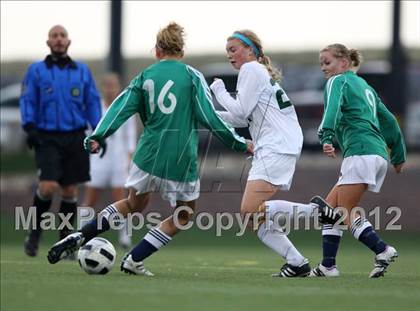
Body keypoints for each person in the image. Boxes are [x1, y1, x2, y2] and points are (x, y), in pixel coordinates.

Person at [47, 22, 252, 275]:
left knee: (133, 203)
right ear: (182, 51)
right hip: (179, 157)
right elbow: (211, 119)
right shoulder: (192, 76)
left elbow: (120, 108)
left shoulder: (144, 77)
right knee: (184, 215)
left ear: (157, 51)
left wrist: (99, 135)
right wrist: (239, 143)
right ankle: (134, 259)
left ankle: (80, 234)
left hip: (147, 156)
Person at [209, 30, 335, 277]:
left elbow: (241, 111)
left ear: (249, 50)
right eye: (227, 51)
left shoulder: (251, 70)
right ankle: (297, 262)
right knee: (254, 218)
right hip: (276, 144)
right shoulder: (255, 72)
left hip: (277, 144)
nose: (229, 55)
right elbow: (236, 117)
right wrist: (207, 115)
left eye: (233, 49)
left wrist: (219, 91)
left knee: (249, 210)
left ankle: (318, 212)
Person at [308, 44, 406, 278]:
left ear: (344, 63)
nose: (323, 68)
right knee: (330, 211)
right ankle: (327, 266)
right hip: (376, 153)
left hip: (360, 152)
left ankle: (382, 249)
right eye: (321, 63)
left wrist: (326, 136)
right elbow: (389, 120)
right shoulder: (365, 87)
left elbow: (331, 110)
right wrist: (399, 154)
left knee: (343, 211)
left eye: (327, 62)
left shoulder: (337, 81)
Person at [20, 25, 101, 257]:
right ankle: (34, 234)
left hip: (75, 136)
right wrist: (29, 127)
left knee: (69, 190)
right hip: (47, 136)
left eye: (62, 36)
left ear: (68, 41)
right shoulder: (36, 71)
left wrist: (98, 132)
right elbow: (27, 100)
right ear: (48, 42)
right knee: (47, 186)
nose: (58, 40)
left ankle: (65, 244)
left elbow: (93, 102)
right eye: (54, 36)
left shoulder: (82, 71)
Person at [81, 73, 137, 249]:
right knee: (90, 199)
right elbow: (87, 132)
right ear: (102, 88)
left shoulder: (125, 106)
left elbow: (130, 136)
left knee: (121, 199)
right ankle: (81, 235)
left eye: (114, 85)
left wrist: (129, 157)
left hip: (119, 160)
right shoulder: (94, 108)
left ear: (118, 87)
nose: (110, 89)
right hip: (97, 160)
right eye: (107, 85)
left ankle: (125, 238)